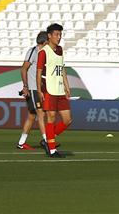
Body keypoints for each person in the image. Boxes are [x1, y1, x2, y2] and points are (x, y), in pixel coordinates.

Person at [36, 23, 72, 158]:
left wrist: (67, 87)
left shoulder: (60, 50)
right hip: (49, 89)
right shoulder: (43, 52)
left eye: (60, 34)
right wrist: (39, 90)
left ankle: (48, 139)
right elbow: (39, 72)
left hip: (60, 90)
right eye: (56, 34)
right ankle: (52, 150)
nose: (59, 37)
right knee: (50, 118)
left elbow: (62, 69)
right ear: (49, 36)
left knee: (67, 120)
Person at [18, 31, 48, 150]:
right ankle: (47, 141)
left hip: (36, 88)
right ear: (45, 41)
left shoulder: (43, 53)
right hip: (33, 88)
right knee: (41, 113)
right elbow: (23, 69)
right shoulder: (33, 52)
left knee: (32, 115)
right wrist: (25, 86)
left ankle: (21, 142)